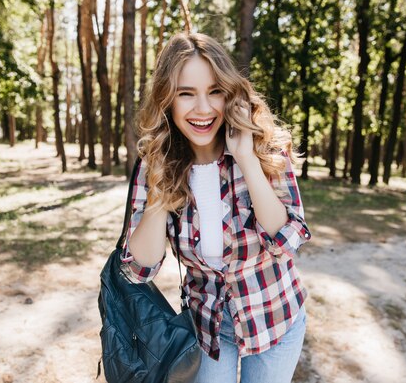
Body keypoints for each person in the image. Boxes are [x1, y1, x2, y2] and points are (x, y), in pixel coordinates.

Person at [120, 32, 312, 383]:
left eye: (214, 91)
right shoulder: (154, 164)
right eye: (186, 94)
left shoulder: (264, 146)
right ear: (167, 99)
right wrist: (160, 193)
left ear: (230, 93)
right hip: (206, 328)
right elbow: (140, 270)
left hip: (274, 317)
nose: (203, 109)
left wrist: (247, 160)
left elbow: (286, 241)